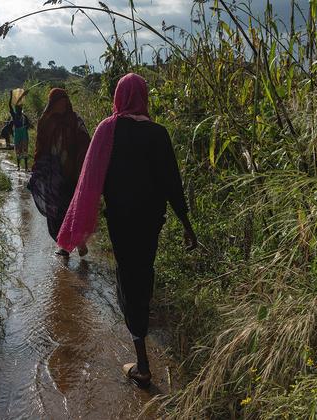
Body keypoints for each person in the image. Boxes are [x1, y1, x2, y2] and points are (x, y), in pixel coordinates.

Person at [56, 73, 197, 388]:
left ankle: (143, 363)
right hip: (150, 222)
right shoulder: (158, 134)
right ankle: (141, 324)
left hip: (121, 221)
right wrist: (187, 226)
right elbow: (172, 183)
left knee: (128, 278)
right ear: (143, 97)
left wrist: (85, 215)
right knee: (143, 272)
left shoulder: (108, 130)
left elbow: (93, 178)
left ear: (119, 97)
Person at [28, 88, 91, 257]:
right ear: (52, 104)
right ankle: (64, 245)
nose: (63, 105)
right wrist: (37, 166)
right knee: (55, 212)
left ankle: (79, 242)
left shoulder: (75, 120)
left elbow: (86, 142)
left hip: (71, 173)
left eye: (65, 102)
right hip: (52, 174)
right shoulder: (46, 121)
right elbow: (40, 145)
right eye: (59, 102)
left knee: (71, 209)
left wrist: (81, 164)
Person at [8, 91, 32, 170]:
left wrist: (26, 126)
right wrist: (11, 96)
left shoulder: (24, 117)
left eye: (20, 108)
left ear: (21, 109)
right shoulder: (14, 115)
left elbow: (29, 125)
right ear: (16, 109)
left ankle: (25, 167)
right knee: (18, 150)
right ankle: (18, 166)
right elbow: (10, 106)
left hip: (23, 134)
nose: (19, 109)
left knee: (25, 150)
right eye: (18, 108)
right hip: (18, 134)